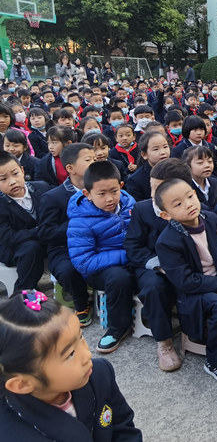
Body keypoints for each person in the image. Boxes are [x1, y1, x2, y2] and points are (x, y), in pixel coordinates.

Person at [0, 290, 142, 440]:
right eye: (70, 354)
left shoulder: (100, 375)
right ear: (22, 384)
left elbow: (124, 429)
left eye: (80, 337)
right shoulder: (11, 433)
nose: (87, 355)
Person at [154, 179, 217, 385]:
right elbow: (187, 282)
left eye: (190, 196)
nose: (188, 204)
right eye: (177, 204)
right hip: (195, 293)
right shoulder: (167, 242)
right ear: (166, 215)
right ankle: (216, 362)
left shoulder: (211, 218)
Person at [124, 158, 193, 373]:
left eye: (162, 188)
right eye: (153, 186)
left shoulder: (194, 208)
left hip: (184, 263)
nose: (155, 193)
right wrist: (157, 264)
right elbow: (133, 245)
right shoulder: (143, 209)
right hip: (152, 265)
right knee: (154, 287)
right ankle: (164, 342)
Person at [67, 160, 137, 354]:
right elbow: (84, 262)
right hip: (99, 270)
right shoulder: (81, 220)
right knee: (119, 278)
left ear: (121, 187)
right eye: (101, 194)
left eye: (114, 191)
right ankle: (117, 329)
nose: (109, 199)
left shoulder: (129, 204)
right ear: (87, 194)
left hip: (131, 257)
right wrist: (126, 255)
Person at [38, 143, 95, 327]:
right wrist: (78, 226)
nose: (94, 163)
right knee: (68, 270)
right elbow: (46, 232)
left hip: (98, 243)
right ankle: (81, 303)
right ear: (70, 168)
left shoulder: (100, 190)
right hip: (64, 248)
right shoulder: (53, 197)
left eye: (95, 159)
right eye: (88, 160)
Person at [0, 151, 49, 291]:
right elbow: (8, 237)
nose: (12, 181)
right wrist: (38, 231)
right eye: (3, 179)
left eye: (15, 174)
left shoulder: (42, 187)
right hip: (13, 248)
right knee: (31, 248)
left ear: (22, 171)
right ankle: (23, 293)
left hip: (43, 241)